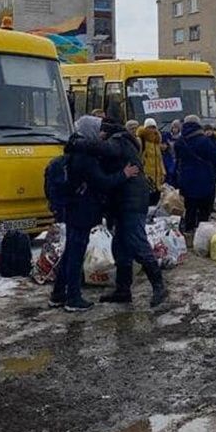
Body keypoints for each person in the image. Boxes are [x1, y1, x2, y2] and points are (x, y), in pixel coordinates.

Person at [51, 116, 139, 312]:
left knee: (70, 252)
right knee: (76, 254)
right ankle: (73, 298)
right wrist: (123, 174)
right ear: (89, 130)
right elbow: (102, 181)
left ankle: (58, 294)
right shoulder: (85, 156)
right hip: (82, 209)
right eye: (98, 129)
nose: (101, 134)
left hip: (75, 207)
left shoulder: (76, 150)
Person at [100, 119, 167, 308]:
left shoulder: (118, 142)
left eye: (100, 134)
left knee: (137, 242)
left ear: (105, 133)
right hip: (124, 204)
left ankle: (159, 286)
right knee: (120, 246)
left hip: (132, 204)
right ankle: (123, 289)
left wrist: (81, 144)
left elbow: (104, 151)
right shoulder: (124, 143)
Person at [174, 114, 216, 235]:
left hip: (187, 180)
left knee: (190, 209)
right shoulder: (204, 141)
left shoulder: (179, 142)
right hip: (204, 180)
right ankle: (202, 236)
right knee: (203, 212)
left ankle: (189, 234)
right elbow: (215, 157)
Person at [138, 118, 166, 197]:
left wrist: (163, 172)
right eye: (150, 127)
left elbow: (160, 159)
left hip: (157, 176)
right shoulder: (142, 140)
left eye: (154, 127)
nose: (152, 130)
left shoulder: (156, 142)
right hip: (147, 176)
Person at [161, 118, 182, 187]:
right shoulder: (167, 136)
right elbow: (163, 146)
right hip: (169, 157)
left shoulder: (181, 137)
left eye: (176, 128)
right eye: (173, 128)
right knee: (170, 173)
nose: (174, 130)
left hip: (178, 158)